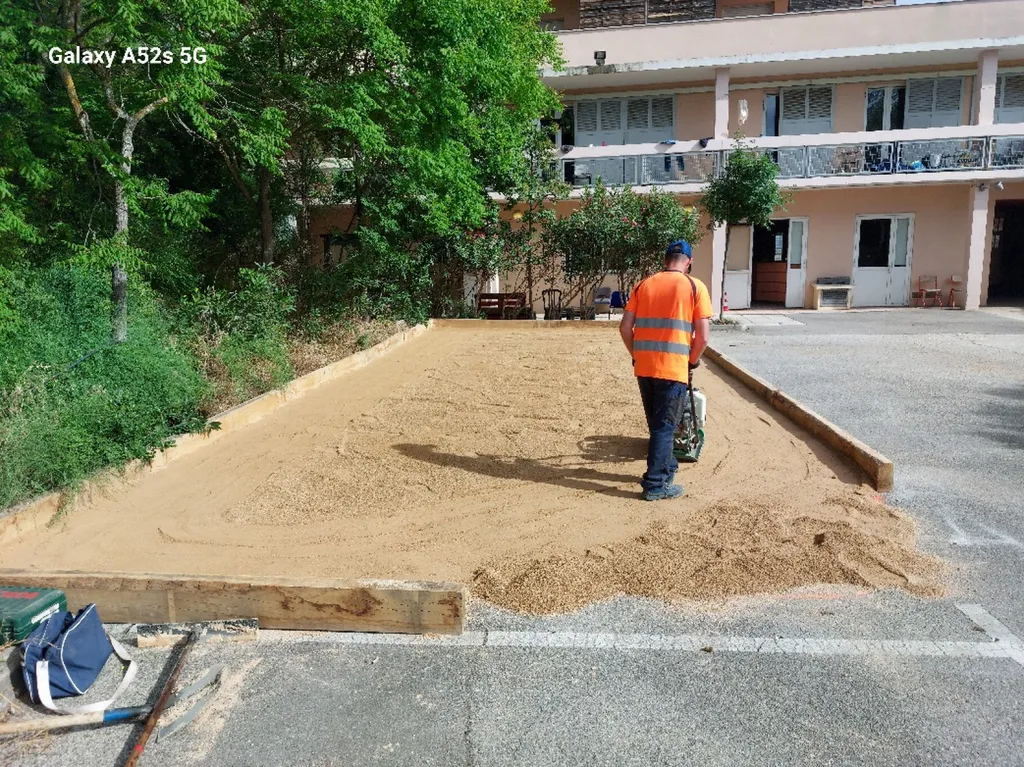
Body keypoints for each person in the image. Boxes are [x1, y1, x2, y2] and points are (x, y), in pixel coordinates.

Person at [618, 239, 712, 501]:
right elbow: (703, 337)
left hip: (644, 366)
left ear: (664, 260)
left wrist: (637, 355)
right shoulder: (695, 287)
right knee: (665, 426)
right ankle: (656, 485)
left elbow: (625, 328)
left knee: (657, 424)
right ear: (689, 262)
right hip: (673, 369)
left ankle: (667, 466)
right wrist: (691, 361)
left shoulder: (643, 285)